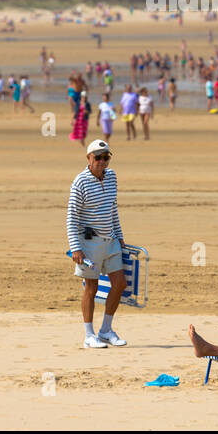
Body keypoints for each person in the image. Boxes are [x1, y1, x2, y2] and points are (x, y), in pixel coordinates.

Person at [67, 141, 128, 348]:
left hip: (110, 241)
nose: (102, 162)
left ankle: (106, 330)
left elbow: (113, 209)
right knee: (90, 288)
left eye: (106, 157)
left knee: (120, 284)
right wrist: (75, 247)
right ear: (88, 159)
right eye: (98, 158)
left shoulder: (112, 177)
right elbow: (72, 217)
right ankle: (89, 335)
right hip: (89, 244)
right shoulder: (80, 182)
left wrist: (120, 236)